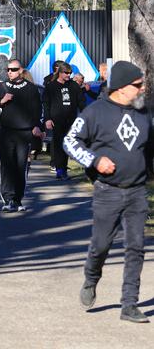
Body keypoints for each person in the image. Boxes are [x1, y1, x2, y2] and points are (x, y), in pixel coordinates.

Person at [64, 61, 151, 323]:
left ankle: (129, 304)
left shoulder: (145, 112)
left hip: (137, 191)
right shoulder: (95, 112)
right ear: (122, 88)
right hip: (108, 191)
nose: (143, 89)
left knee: (136, 247)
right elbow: (69, 141)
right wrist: (94, 160)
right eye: (138, 85)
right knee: (101, 245)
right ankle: (91, 279)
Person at [0, 59, 43, 213]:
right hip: (6, 132)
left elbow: (38, 110)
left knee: (21, 166)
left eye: (13, 69)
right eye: (8, 69)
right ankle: (7, 198)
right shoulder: (2, 87)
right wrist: (1, 101)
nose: (10, 72)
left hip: (24, 133)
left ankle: (17, 199)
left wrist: (37, 126)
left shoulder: (31, 89)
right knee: (6, 166)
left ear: (21, 70)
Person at [43, 62, 85, 180]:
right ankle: (60, 170)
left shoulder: (73, 85)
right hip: (56, 120)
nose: (68, 75)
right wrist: (48, 119)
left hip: (71, 120)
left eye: (70, 73)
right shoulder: (51, 86)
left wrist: (85, 115)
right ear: (60, 73)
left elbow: (81, 101)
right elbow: (46, 104)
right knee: (58, 144)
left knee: (67, 144)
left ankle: (63, 169)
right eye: (66, 73)